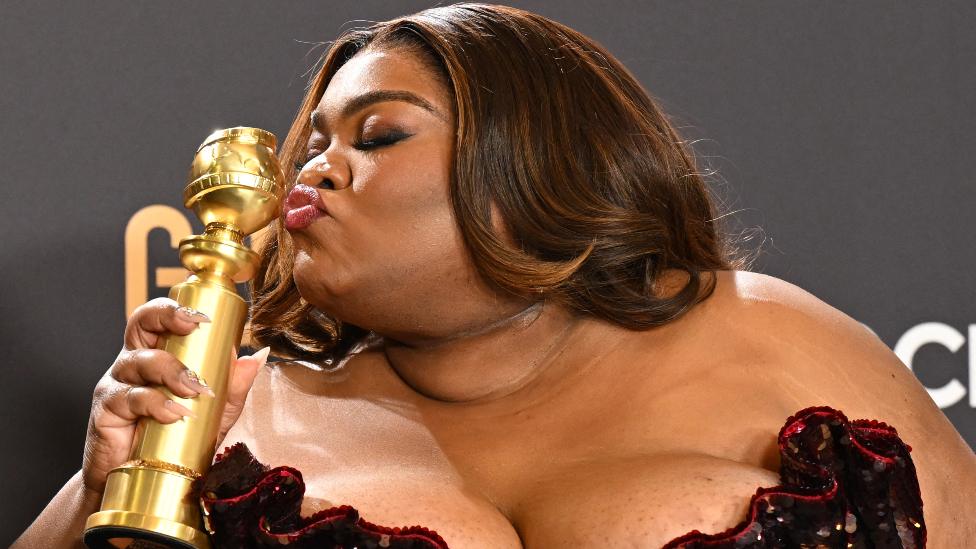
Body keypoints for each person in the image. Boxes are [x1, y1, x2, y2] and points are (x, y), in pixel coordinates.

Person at [15, 3, 976, 548]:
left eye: (379, 134)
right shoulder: (225, 407)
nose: (315, 169)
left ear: (536, 166)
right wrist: (100, 492)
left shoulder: (774, 339)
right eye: (310, 146)